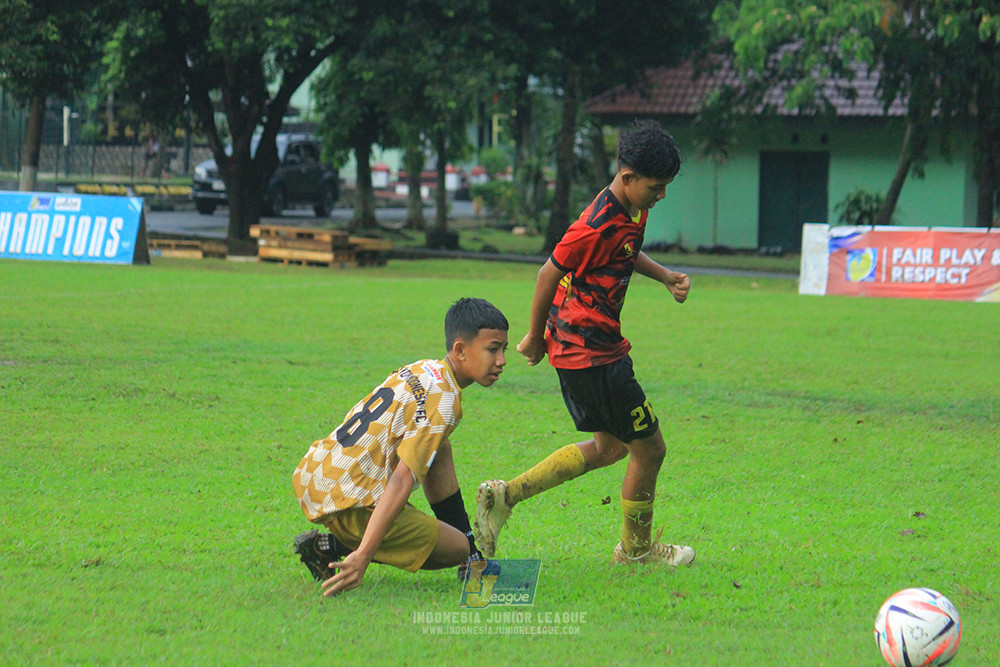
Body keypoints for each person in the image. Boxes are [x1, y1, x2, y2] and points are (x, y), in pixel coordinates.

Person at [474, 119, 695, 567]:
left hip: (587, 350)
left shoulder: (633, 208)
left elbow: (624, 254)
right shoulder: (593, 224)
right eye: (656, 186)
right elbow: (547, 273)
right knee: (650, 449)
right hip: (592, 354)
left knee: (610, 448)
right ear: (627, 178)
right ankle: (636, 551)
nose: (662, 195)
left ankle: (506, 495)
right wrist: (535, 338)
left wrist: (663, 275)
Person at [292, 298, 508, 596]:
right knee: (455, 548)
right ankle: (330, 546)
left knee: (438, 446)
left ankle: (472, 556)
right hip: (348, 502)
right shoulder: (445, 401)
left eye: (503, 350)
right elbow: (402, 479)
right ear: (460, 349)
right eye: (492, 349)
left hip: (319, 474)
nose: (502, 360)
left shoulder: (423, 368)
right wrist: (364, 554)